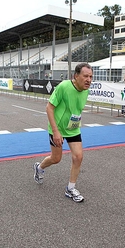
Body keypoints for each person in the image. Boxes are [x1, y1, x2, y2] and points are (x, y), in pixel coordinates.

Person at [33, 63, 93, 203]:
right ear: (76, 76)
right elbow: (49, 108)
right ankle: (39, 167)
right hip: (57, 129)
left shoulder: (86, 90)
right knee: (56, 159)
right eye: (85, 76)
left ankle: (70, 188)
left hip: (73, 128)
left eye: (90, 77)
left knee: (78, 157)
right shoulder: (64, 87)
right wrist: (55, 131)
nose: (88, 80)